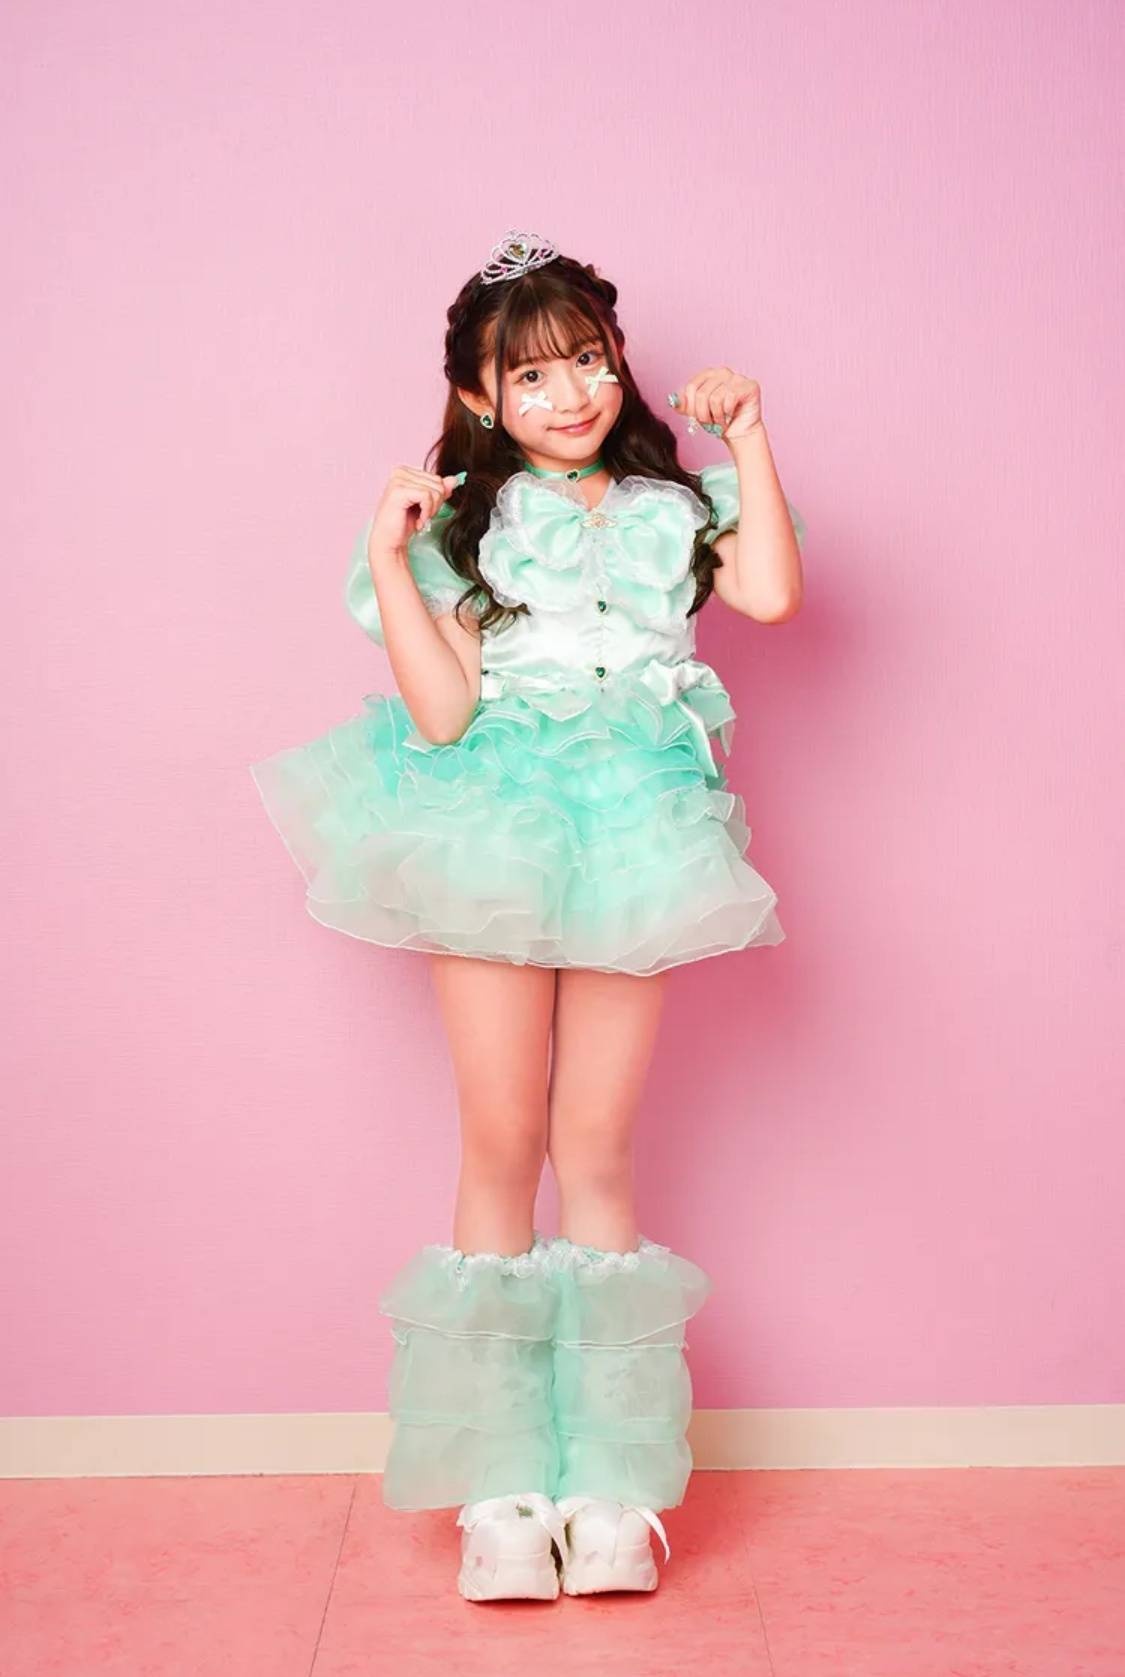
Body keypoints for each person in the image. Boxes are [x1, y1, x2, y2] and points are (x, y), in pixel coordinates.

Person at [249, 229, 805, 1602]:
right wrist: (389, 559)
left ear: (619, 362)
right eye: (533, 375)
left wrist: (748, 438)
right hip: (495, 829)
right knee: (501, 1140)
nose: (570, 394)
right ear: (480, 398)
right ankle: (497, 1485)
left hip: (638, 834)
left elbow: (770, 592)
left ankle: (610, 1483)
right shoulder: (464, 522)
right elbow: (444, 715)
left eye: (588, 361)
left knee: (595, 1144)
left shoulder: (675, 502)